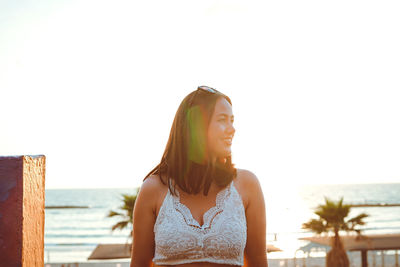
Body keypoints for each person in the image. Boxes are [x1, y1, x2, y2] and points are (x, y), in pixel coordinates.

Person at [130, 86, 267, 267]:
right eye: (222, 120)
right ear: (196, 126)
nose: (232, 129)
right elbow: (139, 264)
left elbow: (258, 261)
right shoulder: (153, 188)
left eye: (232, 121)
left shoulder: (247, 184)